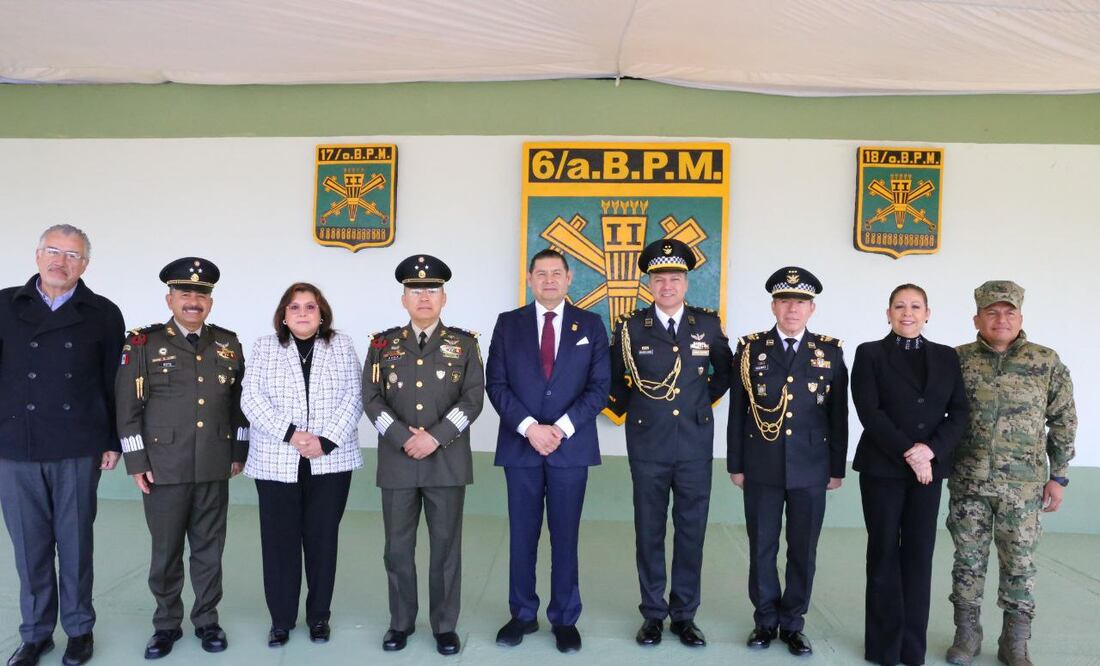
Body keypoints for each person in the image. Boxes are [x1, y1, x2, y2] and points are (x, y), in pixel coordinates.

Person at [0, 225, 125, 666]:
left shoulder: (104, 313)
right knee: (29, 546)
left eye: (72, 255)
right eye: (53, 251)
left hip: (78, 445)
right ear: (37, 255)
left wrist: (113, 440)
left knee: (75, 544)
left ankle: (78, 630)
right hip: (16, 445)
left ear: (85, 265)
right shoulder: (3, 304)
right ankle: (35, 634)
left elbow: (115, 383)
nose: (61, 261)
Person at [114, 257, 249, 659]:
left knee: (209, 549)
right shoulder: (142, 342)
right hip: (163, 466)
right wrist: (137, 463)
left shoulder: (228, 342)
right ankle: (166, 624)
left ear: (210, 301)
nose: (193, 301)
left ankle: (207, 620)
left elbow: (239, 405)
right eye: (185, 293)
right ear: (170, 298)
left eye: (201, 295)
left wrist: (238, 451)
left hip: (213, 462)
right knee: (167, 551)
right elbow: (127, 407)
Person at [606, 238, 732, 648]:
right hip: (648, 442)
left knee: (691, 529)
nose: (667, 286)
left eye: (675, 278)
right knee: (649, 530)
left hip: (694, 443)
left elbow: (725, 373)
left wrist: (698, 403)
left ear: (686, 283)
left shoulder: (708, 325)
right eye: (659, 279)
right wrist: (641, 409)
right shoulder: (630, 327)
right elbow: (615, 379)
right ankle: (653, 615)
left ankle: (684, 615)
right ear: (649, 283)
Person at [486, 249, 611, 654]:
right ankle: (522, 614)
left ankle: (564, 617)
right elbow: (497, 384)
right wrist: (528, 428)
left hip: (569, 449)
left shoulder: (591, 324)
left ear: (570, 277)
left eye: (557, 273)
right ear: (529, 278)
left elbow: (599, 388)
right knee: (522, 535)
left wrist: (558, 429)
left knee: (565, 536)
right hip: (521, 448)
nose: (550, 280)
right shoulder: (509, 325)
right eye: (541, 274)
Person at [946, 281, 1076, 666]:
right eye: (992, 312)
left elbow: (1064, 420)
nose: (1000, 319)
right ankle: (967, 635)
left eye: (1008, 312)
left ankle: (1014, 642)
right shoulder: (957, 360)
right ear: (977, 318)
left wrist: (1060, 475)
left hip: (1023, 486)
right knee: (967, 560)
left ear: (1020, 317)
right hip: (969, 482)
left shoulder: (1045, 361)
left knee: (1020, 563)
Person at [362, 254, 484, 656]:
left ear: (444, 297)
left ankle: (444, 626)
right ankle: (401, 622)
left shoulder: (464, 344)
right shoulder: (382, 344)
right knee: (397, 549)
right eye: (416, 291)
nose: (424, 297)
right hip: (398, 462)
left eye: (432, 290)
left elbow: (473, 399)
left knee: (446, 549)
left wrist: (435, 437)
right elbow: (372, 399)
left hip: (445, 460)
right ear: (404, 299)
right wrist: (401, 437)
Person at [726, 266, 848, 657]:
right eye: (784, 301)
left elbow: (838, 416)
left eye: (800, 302)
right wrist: (736, 463)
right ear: (773, 306)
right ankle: (765, 620)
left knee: (802, 549)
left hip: (811, 468)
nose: (791, 309)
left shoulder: (829, 352)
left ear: (811, 309)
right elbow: (738, 412)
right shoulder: (750, 351)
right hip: (761, 464)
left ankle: (793, 623)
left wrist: (835, 468)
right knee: (762, 545)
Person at [240, 282, 364, 648]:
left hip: (330, 459)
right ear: (283, 315)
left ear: (321, 313)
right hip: (277, 459)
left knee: (322, 541)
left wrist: (324, 441)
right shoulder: (265, 347)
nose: (303, 313)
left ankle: (319, 617)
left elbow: (355, 395)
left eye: (310, 307)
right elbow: (251, 398)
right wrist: (293, 435)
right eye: (294, 307)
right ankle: (281, 620)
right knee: (279, 543)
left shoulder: (341, 345)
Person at [851, 283, 968, 666]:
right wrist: (909, 452)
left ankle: (911, 648)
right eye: (899, 306)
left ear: (928, 313)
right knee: (884, 553)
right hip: (883, 469)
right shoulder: (869, 354)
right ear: (887, 313)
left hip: (928, 471)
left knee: (919, 555)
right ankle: (884, 648)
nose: (907, 313)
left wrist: (930, 451)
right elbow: (870, 412)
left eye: (915, 306)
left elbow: (959, 413)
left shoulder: (946, 357)